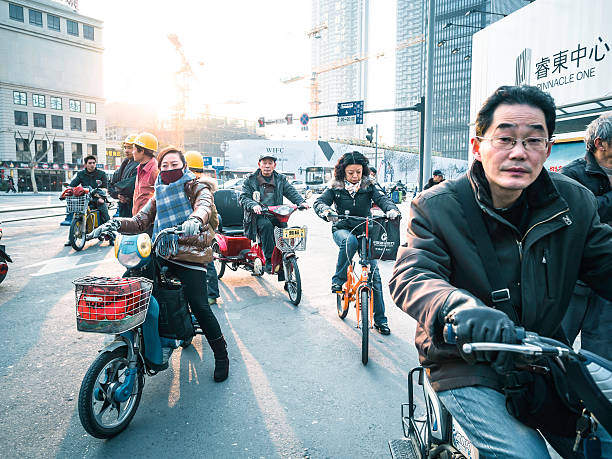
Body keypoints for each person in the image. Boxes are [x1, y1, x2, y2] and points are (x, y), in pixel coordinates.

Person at [390, 85, 612, 457]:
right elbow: (413, 275)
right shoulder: (436, 206)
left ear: (548, 148)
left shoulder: (575, 201)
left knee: (601, 442)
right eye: (505, 138)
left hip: (543, 354)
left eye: (532, 140)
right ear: (478, 147)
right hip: (465, 358)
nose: (519, 152)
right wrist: (458, 308)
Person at [101, 147, 229, 382]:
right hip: (163, 250)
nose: (170, 169)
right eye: (165, 165)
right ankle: (143, 339)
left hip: (190, 253)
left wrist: (194, 219)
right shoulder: (158, 192)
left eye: (174, 164)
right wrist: (115, 224)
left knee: (200, 306)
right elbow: (140, 221)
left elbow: (204, 206)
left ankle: (222, 356)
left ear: (184, 166)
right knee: (132, 284)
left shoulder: (195, 186)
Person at [314, 151, 399, 335]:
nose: (355, 176)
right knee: (349, 241)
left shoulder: (370, 185)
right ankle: (339, 280)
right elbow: (319, 202)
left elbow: (383, 199)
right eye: (351, 172)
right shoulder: (335, 187)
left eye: (358, 172)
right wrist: (327, 211)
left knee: (374, 276)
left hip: (366, 230)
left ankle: (380, 320)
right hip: (342, 228)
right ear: (343, 171)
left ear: (363, 171)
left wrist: (392, 210)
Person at [559, 114, 612, 360]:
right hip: (575, 279)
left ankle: (592, 397)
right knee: (558, 344)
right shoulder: (572, 174)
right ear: (600, 143)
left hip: (608, 279)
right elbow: (578, 216)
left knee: (601, 353)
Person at [239, 154, 309, 273]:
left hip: (277, 214)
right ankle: (270, 261)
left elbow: (290, 191)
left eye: (270, 163)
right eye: (264, 163)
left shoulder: (280, 179)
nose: (267, 166)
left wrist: (301, 202)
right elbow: (244, 198)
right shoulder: (250, 179)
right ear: (259, 165)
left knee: (284, 232)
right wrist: (254, 205)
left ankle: (287, 266)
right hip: (259, 216)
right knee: (267, 227)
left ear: (274, 165)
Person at [185, 150, 220, 306]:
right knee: (207, 262)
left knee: (201, 263)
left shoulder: (185, 187)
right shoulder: (205, 188)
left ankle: (209, 294)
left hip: (192, 232)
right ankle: (211, 294)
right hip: (203, 232)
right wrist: (212, 231)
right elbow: (213, 217)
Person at [69, 155, 110, 224]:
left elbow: (105, 187)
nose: (92, 165)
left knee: (103, 210)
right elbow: (72, 185)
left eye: (94, 163)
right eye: (90, 163)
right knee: (75, 207)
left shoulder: (101, 174)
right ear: (85, 164)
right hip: (85, 197)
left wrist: (100, 194)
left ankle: (108, 226)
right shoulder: (81, 174)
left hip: (98, 197)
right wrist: (69, 190)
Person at [109, 134, 139, 217]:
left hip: (133, 209)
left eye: (129, 147)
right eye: (125, 147)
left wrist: (125, 196)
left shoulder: (139, 165)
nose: (126, 150)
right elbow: (111, 184)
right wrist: (118, 195)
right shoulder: (124, 164)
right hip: (123, 208)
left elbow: (131, 185)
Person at [132, 132, 159, 216]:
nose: (133, 152)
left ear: (142, 151)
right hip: (138, 218)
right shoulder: (140, 168)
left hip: (149, 221)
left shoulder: (155, 170)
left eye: (134, 149)